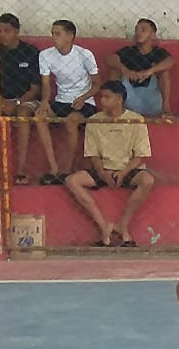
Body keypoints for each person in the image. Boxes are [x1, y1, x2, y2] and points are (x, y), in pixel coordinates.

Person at [64, 81, 156, 247]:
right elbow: (93, 155)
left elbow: (140, 156)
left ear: (119, 99)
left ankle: (122, 225)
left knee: (148, 180)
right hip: (103, 169)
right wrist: (101, 173)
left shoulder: (136, 120)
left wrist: (123, 173)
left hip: (128, 169)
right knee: (72, 181)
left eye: (107, 97)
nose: (102, 101)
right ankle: (104, 226)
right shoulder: (94, 121)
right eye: (102, 97)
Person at [38, 19, 100, 179]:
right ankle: (53, 167)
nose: (53, 37)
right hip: (61, 100)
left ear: (70, 36)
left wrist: (83, 97)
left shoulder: (84, 54)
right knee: (40, 117)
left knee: (71, 120)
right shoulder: (45, 55)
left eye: (57, 34)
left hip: (85, 102)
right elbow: (45, 84)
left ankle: (67, 168)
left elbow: (97, 84)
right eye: (52, 34)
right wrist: (44, 101)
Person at [0, 13, 46, 185]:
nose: (2, 35)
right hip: (0, 99)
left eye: (7, 31)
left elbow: (35, 88)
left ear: (17, 31)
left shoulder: (30, 52)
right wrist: (2, 101)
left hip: (26, 99)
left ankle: (21, 169)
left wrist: (16, 102)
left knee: (23, 113)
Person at [108, 18, 175, 119]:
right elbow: (110, 59)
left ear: (153, 35)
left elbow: (170, 61)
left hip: (151, 99)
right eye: (137, 30)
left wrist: (149, 71)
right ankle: (113, 109)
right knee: (115, 71)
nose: (138, 33)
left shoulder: (157, 52)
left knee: (164, 72)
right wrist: (125, 70)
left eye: (143, 30)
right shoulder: (128, 51)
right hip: (129, 99)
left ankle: (166, 109)